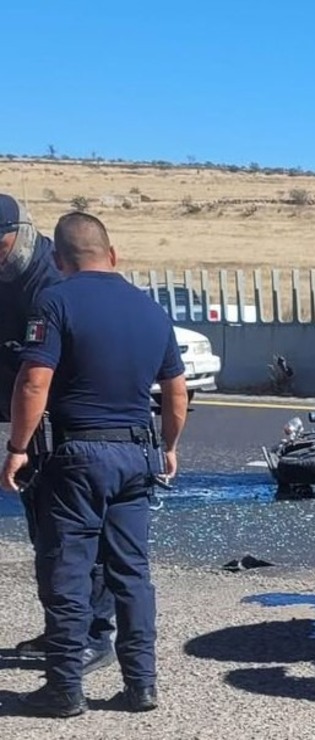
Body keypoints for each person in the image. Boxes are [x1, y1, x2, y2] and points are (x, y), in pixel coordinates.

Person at [0, 211, 189, 718]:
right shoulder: (151, 310)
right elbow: (175, 391)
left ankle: (64, 689)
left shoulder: (55, 300)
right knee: (132, 574)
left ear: (59, 260)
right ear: (113, 254)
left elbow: (34, 381)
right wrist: (168, 446)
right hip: (136, 455)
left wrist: (18, 447)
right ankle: (141, 685)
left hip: (76, 457)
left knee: (68, 570)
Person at [0, 193, 118, 673]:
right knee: (48, 542)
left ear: (19, 232)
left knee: (80, 542)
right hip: (34, 432)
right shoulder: (9, 281)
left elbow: (45, 371)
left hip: (71, 431)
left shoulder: (53, 281)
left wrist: (19, 444)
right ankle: (62, 630)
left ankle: (94, 634)